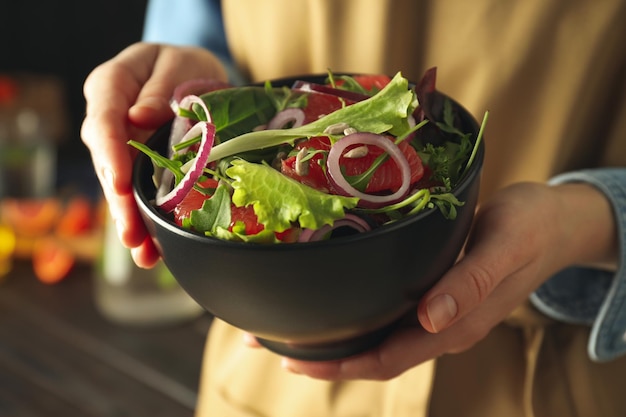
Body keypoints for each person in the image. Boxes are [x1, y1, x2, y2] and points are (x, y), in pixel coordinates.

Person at [81, 0, 626, 415]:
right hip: (271, 374)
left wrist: (591, 218)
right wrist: (186, 78)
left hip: (552, 378)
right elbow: (196, 20)